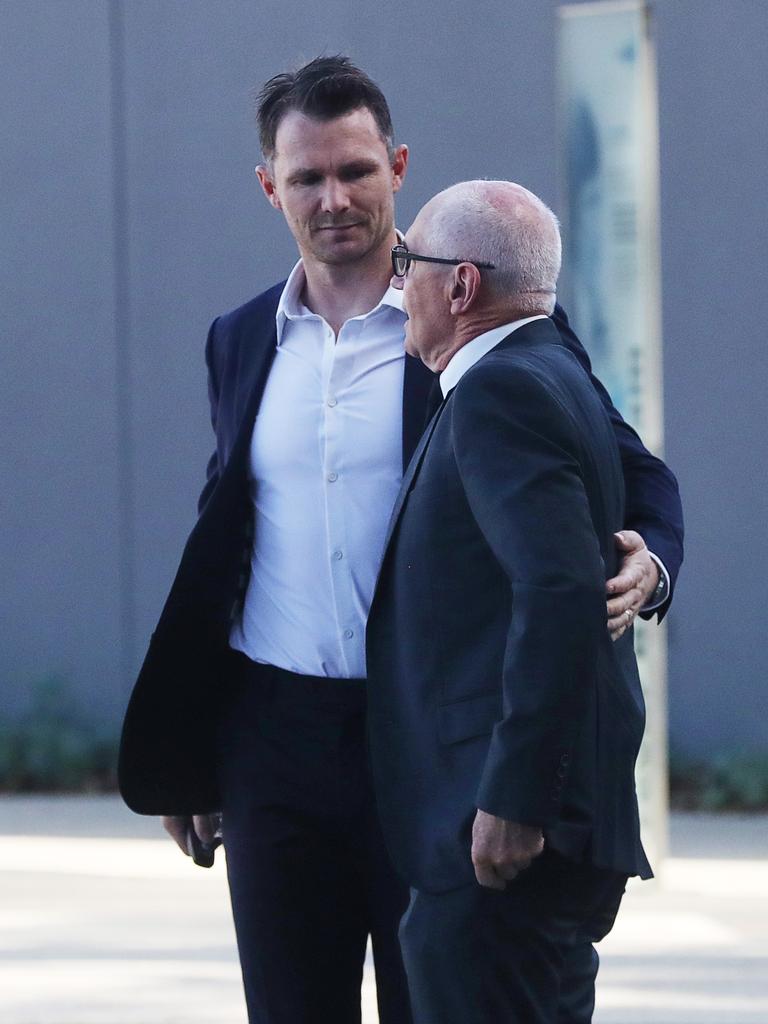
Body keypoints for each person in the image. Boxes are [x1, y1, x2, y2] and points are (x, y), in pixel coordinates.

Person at [118, 58, 683, 1024]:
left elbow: (624, 465)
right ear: (270, 188)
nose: (334, 198)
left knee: (439, 1000)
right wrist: (195, 746)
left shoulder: (474, 316)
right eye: (307, 178)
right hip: (273, 741)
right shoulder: (242, 337)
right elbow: (232, 529)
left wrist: (652, 561)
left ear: (398, 168)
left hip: (427, 740)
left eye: (356, 171)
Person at [366, 179, 655, 1024]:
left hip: (505, 835)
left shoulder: (501, 391)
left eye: (406, 264)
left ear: (461, 286)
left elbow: (558, 588)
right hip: (525, 832)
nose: (395, 285)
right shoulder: (552, 369)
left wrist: (515, 802)